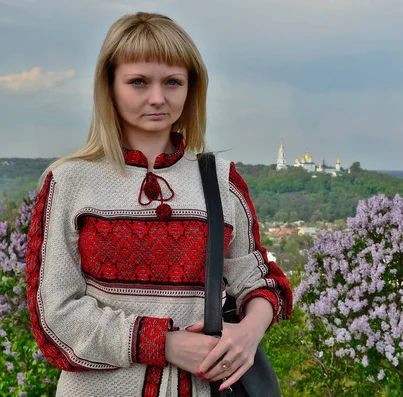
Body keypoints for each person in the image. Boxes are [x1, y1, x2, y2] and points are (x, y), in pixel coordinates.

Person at [25, 11, 293, 397]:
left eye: (172, 82)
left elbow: (259, 280)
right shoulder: (69, 182)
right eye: (138, 82)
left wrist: (248, 333)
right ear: (110, 87)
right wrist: (163, 343)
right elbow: (55, 316)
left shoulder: (221, 179)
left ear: (191, 88)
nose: (158, 98)